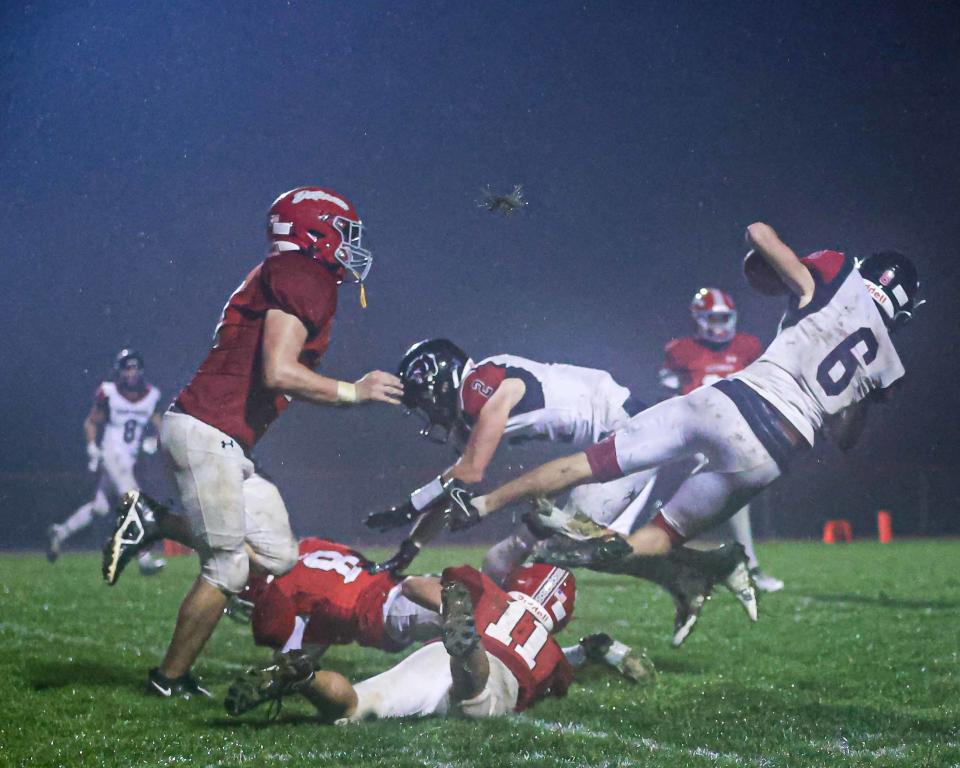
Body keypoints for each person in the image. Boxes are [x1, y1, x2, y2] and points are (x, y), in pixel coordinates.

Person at [436, 224, 920, 641]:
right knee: (658, 537)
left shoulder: (836, 274)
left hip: (724, 403)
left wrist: (784, 273)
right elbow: (846, 437)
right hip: (771, 450)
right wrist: (867, 392)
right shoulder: (889, 364)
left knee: (583, 466)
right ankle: (655, 559)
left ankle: (482, 507)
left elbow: (757, 233)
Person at [102, 186, 403, 699]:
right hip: (207, 430)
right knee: (227, 565)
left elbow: (277, 375)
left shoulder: (284, 274)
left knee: (277, 556)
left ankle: (156, 521)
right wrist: (356, 391)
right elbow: (279, 371)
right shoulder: (303, 275)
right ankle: (168, 680)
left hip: (224, 439)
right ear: (316, 231)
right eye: (345, 234)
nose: (351, 247)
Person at [363, 340, 657, 582]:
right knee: (499, 563)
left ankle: (676, 568)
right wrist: (409, 548)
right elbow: (456, 486)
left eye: (423, 401)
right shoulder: (474, 400)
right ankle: (498, 627)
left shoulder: (479, 385)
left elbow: (470, 473)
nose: (426, 412)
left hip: (628, 432)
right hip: (610, 442)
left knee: (561, 547)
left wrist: (407, 509)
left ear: (439, 385)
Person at [224, 563, 652, 721]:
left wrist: (452, 605)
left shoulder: (490, 591)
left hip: (437, 652)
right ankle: (469, 656)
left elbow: (413, 585)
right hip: (493, 673)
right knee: (477, 692)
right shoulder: (555, 655)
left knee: (357, 703)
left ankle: (304, 675)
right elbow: (557, 683)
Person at [230, 537, 650, 683]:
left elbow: (293, 658)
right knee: (510, 634)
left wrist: (278, 673)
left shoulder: (277, 589)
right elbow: (327, 612)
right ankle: (594, 651)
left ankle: (587, 653)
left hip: (398, 610)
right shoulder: (309, 548)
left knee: (504, 647)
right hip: (405, 590)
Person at [659, 287, 783, 593]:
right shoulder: (680, 350)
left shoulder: (747, 346)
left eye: (723, 317)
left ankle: (742, 566)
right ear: (699, 319)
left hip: (733, 434)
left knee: (728, 492)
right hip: (688, 434)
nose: (719, 324)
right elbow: (667, 394)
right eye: (712, 317)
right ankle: (744, 567)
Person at [47, 349, 166, 575]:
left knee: (100, 508)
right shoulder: (108, 392)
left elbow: (162, 427)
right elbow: (91, 423)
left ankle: (60, 532)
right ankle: (144, 559)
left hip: (127, 461)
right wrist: (92, 448)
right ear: (119, 371)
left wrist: (154, 441)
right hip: (111, 454)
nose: (131, 373)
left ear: (141, 370)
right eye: (126, 368)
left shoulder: (152, 395)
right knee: (135, 501)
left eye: (134, 367)